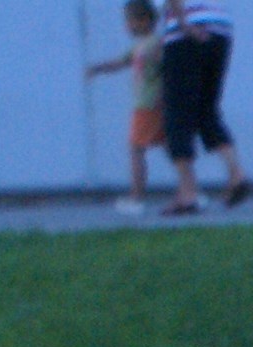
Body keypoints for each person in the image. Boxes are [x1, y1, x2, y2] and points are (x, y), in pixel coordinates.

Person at [157, 0, 251, 216]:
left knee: (177, 113)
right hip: (220, 28)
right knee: (206, 110)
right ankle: (236, 173)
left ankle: (188, 193)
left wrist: (183, 23)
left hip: (186, 30)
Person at [84, 0, 165, 215]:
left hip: (148, 105)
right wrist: (99, 68)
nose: (127, 26)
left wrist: (162, 97)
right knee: (169, 147)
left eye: (129, 21)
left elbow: (165, 71)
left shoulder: (154, 44)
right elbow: (121, 62)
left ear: (144, 21)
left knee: (136, 150)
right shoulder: (140, 45)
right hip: (147, 105)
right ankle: (190, 189)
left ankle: (136, 198)